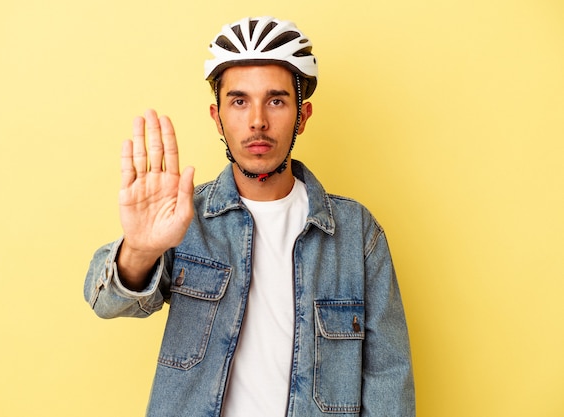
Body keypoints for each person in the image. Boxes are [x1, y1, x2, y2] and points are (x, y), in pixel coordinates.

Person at [84, 16, 415, 417]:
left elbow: (389, 382)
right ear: (217, 118)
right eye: (239, 101)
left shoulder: (356, 234)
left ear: (303, 116)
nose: (257, 120)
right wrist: (139, 249)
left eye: (276, 100)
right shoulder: (187, 218)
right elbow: (104, 302)